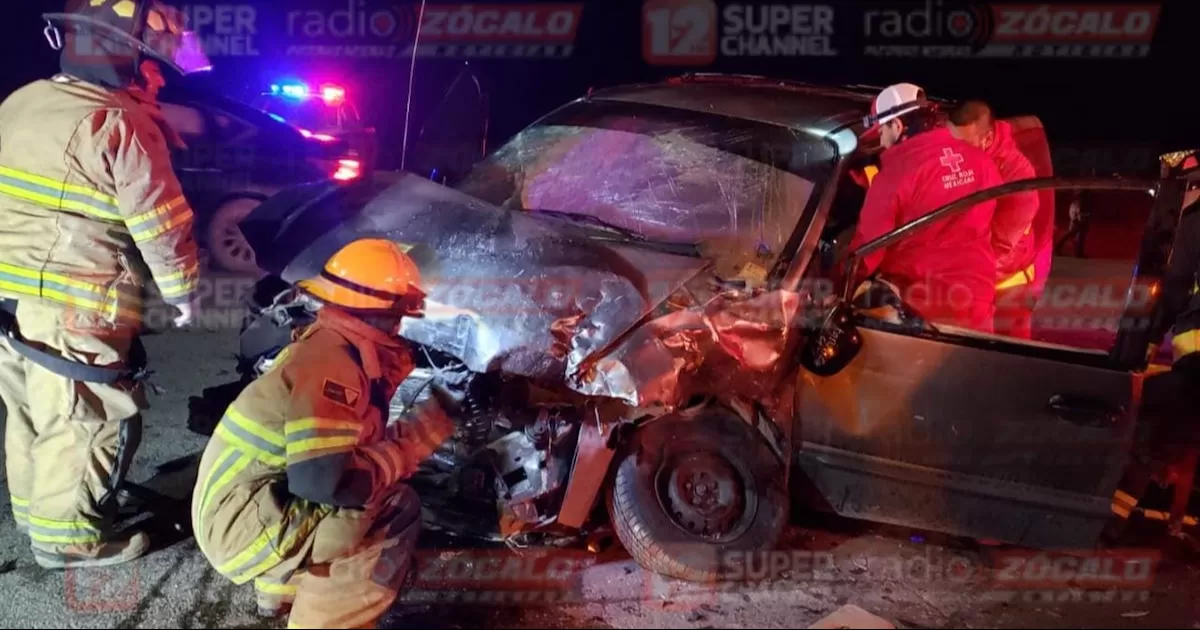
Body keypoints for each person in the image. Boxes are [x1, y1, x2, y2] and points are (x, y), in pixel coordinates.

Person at [0, 0, 209, 569]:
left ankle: (36, 514)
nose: (156, 78)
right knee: (87, 417)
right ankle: (67, 541)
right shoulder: (120, 122)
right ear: (126, 55)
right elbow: (161, 225)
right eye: (151, 66)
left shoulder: (22, 102)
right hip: (77, 302)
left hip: (10, 300)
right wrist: (184, 293)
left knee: (32, 415)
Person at [192, 238, 459, 628]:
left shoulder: (333, 343)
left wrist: (434, 416)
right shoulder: (334, 367)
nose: (403, 325)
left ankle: (279, 593)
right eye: (400, 312)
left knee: (358, 479)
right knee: (391, 507)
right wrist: (418, 439)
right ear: (382, 311)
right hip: (240, 528)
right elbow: (326, 484)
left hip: (239, 511)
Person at [848, 83, 1004, 332]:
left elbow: (865, 254)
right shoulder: (982, 162)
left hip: (923, 314)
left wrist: (832, 286)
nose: (881, 140)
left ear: (897, 126)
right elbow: (996, 221)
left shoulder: (893, 177)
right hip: (978, 305)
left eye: (881, 131)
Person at [948, 100, 1043, 338]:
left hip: (1008, 290)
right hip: (971, 286)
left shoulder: (1018, 176)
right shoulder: (963, 163)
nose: (953, 151)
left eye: (963, 145)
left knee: (1010, 363)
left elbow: (997, 248)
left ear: (987, 139)